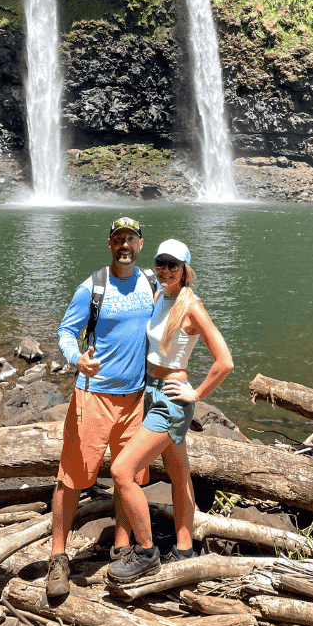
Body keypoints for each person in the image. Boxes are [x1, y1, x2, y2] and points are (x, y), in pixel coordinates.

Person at [107, 238, 233, 585]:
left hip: (171, 401)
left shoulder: (192, 307)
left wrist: (196, 392)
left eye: (172, 265)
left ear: (185, 271)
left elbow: (225, 361)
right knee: (178, 474)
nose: (164, 270)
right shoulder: (161, 296)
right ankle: (183, 546)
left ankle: (146, 553)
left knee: (121, 471)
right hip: (151, 391)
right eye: (160, 263)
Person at [46, 216, 155, 600]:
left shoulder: (152, 284)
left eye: (131, 239)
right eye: (118, 240)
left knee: (130, 478)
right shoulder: (92, 286)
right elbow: (65, 331)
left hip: (135, 398)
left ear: (141, 244)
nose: (125, 246)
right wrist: (77, 358)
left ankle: (122, 548)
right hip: (93, 396)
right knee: (71, 477)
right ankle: (58, 557)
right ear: (110, 244)